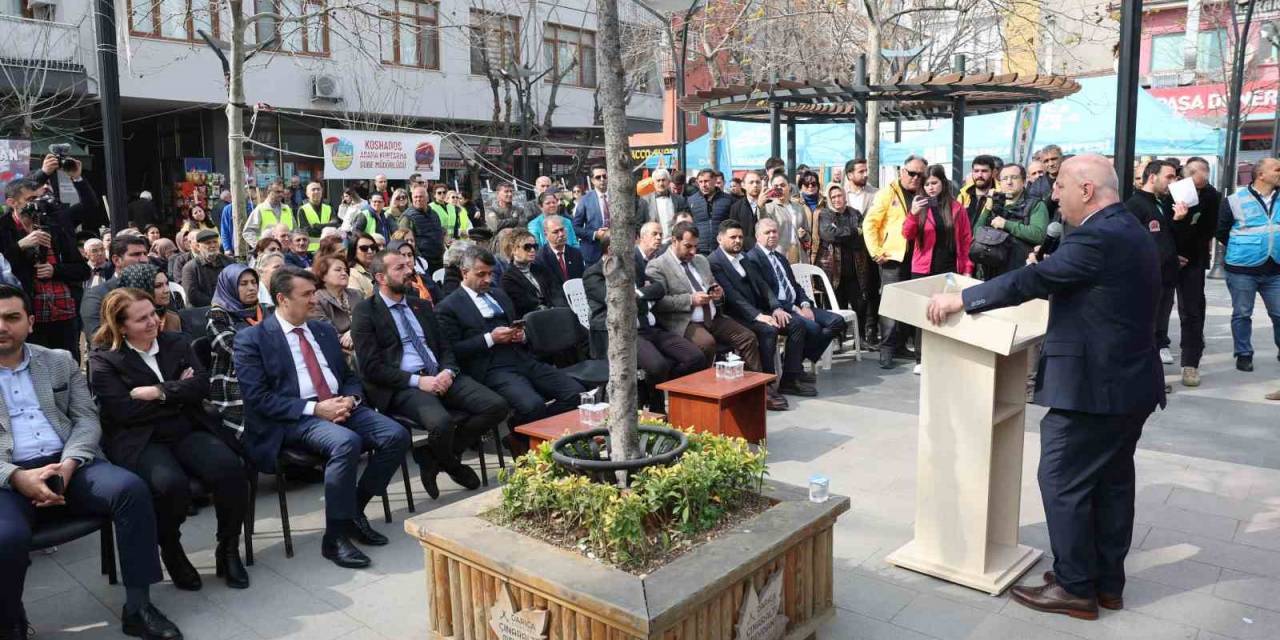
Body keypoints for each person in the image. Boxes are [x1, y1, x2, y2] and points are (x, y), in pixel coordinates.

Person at [924, 154, 1164, 622]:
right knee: (1111, 483)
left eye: (1060, 188)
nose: (1054, 195)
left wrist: (962, 298)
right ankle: (1106, 584)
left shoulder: (1098, 234)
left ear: (1088, 190)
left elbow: (1034, 280)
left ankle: (1075, 587)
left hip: (1094, 389)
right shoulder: (1127, 227)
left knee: (1062, 480)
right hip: (1128, 384)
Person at [0, 285, 184, 640]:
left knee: (131, 489)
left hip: (72, 462)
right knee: (6, 537)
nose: (2, 326)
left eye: (12, 317)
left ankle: (138, 607)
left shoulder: (57, 361)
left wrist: (69, 464)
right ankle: (10, 622)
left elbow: (86, 418)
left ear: (31, 322)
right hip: (8, 476)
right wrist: (18, 476)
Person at [234, 267, 411, 569]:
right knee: (346, 443)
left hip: (340, 405)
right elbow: (258, 399)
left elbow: (349, 376)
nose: (314, 300)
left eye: (314, 292)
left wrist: (351, 399)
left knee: (396, 435)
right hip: (294, 418)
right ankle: (335, 537)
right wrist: (316, 409)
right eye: (306, 294)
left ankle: (353, 509)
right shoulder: (252, 339)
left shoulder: (322, 330)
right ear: (282, 299)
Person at [89, 287, 250, 591]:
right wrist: (178, 391)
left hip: (184, 428)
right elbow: (124, 412)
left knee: (230, 469)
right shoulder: (105, 360)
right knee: (170, 485)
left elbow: (203, 385)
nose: (152, 322)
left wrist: (159, 392)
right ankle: (171, 549)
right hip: (141, 439)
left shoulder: (175, 342)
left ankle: (227, 548)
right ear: (121, 326)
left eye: (153, 314)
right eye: (141, 319)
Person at [351, 250, 509, 499]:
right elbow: (372, 368)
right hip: (404, 385)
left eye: (408, 265)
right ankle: (452, 464)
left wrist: (447, 370)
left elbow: (444, 346)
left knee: (496, 406)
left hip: (440, 374)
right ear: (381, 277)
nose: (408, 271)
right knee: (441, 423)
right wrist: (418, 381)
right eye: (399, 268)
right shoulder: (365, 312)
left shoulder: (420, 305)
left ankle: (432, 457)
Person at [435, 247, 583, 445]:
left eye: (490, 274)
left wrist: (521, 336)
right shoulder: (449, 306)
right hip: (491, 367)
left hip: (521, 357)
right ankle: (529, 440)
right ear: (464, 272)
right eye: (481, 274)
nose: (487, 279)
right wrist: (490, 339)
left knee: (574, 392)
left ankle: (521, 431)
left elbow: (515, 324)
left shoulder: (499, 295)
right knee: (532, 405)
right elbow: (453, 350)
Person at [647, 222, 761, 379]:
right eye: (688, 246)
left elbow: (711, 283)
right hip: (685, 321)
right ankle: (704, 392)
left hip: (712, 317)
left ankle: (754, 388)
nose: (693, 251)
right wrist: (690, 300)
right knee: (707, 344)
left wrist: (717, 291)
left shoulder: (700, 260)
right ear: (674, 241)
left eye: (695, 246)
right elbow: (658, 303)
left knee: (748, 337)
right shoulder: (657, 266)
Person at [2, 168, 95, 359]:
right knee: (34, 369)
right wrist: (20, 246)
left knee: (68, 368)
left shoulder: (54, 224)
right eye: (29, 200)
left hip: (64, 315)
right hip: (27, 318)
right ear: (11, 203)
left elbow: (83, 270)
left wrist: (55, 270)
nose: (36, 205)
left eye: (39, 198)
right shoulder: (3, 229)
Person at [709, 220, 802, 407]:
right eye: (733, 237)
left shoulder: (743, 258)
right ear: (720, 239)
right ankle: (766, 384)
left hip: (756, 310)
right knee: (768, 331)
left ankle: (790, 378)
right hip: (734, 315)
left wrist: (775, 307)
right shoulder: (715, 261)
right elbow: (733, 296)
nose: (737, 241)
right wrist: (758, 316)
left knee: (795, 324)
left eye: (740, 237)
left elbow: (762, 285)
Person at [748, 216, 846, 378]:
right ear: (758, 236)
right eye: (767, 232)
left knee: (837, 321)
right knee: (813, 328)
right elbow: (763, 295)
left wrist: (805, 304)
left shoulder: (780, 257)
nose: (772, 235)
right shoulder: (753, 259)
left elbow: (795, 286)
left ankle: (792, 362)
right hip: (777, 309)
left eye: (774, 231)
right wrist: (794, 309)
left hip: (799, 305)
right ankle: (794, 369)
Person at [903, 164, 973, 373]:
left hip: (950, 268)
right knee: (924, 312)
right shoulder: (919, 206)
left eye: (934, 183)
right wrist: (913, 214)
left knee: (948, 311)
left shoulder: (957, 208)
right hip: (923, 268)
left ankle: (946, 355)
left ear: (943, 183)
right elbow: (907, 234)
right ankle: (921, 358)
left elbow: (966, 239)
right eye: (927, 184)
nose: (931, 188)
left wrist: (968, 267)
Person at [1217, 156, 1280, 373]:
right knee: (1242, 313)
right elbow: (1221, 232)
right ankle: (1244, 353)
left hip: (1276, 269)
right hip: (1242, 270)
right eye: (1277, 169)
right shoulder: (1234, 200)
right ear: (1261, 174)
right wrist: (1245, 249)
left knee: (1279, 313)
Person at [865, 155, 926, 369]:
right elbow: (870, 224)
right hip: (892, 257)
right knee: (891, 304)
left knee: (910, 305)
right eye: (912, 173)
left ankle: (900, 345)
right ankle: (887, 349)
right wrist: (876, 251)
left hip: (918, 257)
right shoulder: (887, 192)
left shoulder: (924, 192)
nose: (916, 178)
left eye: (920, 174)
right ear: (902, 172)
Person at [1125, 159, 1183, 368]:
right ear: (1152, 177)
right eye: (1169, 177)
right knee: (1145, 327)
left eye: (1175, 177)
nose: (1173, 181)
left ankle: (1155, 362)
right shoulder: (1135, 205)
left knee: (1160, 320)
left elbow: (1164, 237)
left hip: (1166, 274)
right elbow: (1132, 243)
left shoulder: (1162, 203)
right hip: (1147, 278)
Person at [1171, 157, 1219, 386]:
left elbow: (1209, 229)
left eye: (1202, 184)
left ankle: (1191, 361)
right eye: (1194, 184)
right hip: (1164, 258)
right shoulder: (1170, 191)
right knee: (1156, 309)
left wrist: (1189, 217)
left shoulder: (1211, 196)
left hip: (1193, 259)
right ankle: (1159, 346)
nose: (1198, 188)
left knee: (1191, 309)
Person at [208, 264, 266, 441]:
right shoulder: (218, 314)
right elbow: (232, 348)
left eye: (254, 282)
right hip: (234, 378)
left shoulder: (265, 309)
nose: (251, 288)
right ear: (230, 286)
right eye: (243, 284)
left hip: (270, 369)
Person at [815, 184, 876, 339]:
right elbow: (829, 235)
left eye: (839, 195)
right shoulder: (825, 214)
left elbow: (863, 236)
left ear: (845, 196)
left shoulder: (855, 213)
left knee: (860, 306)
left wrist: (843, 234)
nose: (837, 199)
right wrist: (852, 232)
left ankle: (860, 338)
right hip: (833, 270)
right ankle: (837, 339)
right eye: (833, 197)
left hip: (856, 268)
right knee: (835, 306)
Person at [974, 163, 1050, 279]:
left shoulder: (1035, 205)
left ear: (1024, 181)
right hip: (992, 273)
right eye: (1004, 179)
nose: (1009, 182)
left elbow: (1039, 235)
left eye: (1014, 178)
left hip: (1020, 274)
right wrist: (987, 208)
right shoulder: (993, 203)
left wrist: (1006, 224)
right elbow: (976, 233)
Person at [81, 235, 149, 342]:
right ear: (117, 260)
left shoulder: (156, 287)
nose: (144, 259)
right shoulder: (96, 295)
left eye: (145, 254)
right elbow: (98, 339)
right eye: (136, 254)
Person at [502, 229, 566, 317]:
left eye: (535, 246)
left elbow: (556, 293)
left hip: (554, 314)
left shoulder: (541, 269)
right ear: (513, 249)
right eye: (527, 247)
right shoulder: (508, 278)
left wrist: (559, 309)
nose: (532, 250)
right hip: (532, 320)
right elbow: (524, 304)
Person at [309, 254, 363, 357]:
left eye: (345, 270)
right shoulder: (316, 299)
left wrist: (354, 332)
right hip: (338, 353)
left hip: (364, 344)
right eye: (338, 270)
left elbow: (369, 322)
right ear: (323, 275)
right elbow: (327, 333)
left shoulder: (357, 294)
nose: (344, 273)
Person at [761, 172, 811, 265]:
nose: (779, 188)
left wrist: (804, 235)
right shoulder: (768, 208)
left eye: (783, 185)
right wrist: (760, 206)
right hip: (779, 254)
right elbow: (763, 228)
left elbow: (807, 234)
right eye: (776, 186)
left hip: (799, 253)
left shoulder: (799, 207)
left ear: (789, 187)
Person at [118, 262, 183, 333]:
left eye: (167, 284)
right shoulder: (122, 323)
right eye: (158, 286)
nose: (167, 290)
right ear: (141, 288)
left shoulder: (172, 319)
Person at [572, 166, 615, 265]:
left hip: (616, 250)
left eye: (604, 176)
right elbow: (575, 227)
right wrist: (595, 234)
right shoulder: (585, 200)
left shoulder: (617, 197)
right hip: (593, 252)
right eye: (598, 177)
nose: (602, 180)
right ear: (592, 180)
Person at [401, 184, 446, 275]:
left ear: (427, 198)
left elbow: (438, 234)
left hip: (439, 261)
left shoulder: (434, 214)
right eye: (415, 197)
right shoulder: (407, 217)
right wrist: (419, 259)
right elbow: (405, 243)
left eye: (421, 197)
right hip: (422, 263)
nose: (418, 199)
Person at [687, 168, 733, 255]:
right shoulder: (691, 200)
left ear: (715, 180)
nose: (703, 185)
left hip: (722, 249)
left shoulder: (728, 200)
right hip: (700, 250)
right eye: (700, 182)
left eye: (706, 181)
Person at [181, 229, 232, 307]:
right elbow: (193, 296)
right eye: (208, 243)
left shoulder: (229, 262)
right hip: (202, 310)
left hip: (229, 305)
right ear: (198, 247)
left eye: (215, 242)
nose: (213, 245)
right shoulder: (190, 268)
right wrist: (216, 303)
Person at [536, 214, 585, 288]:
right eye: (556, 232)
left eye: (562, 230)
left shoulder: (576, 254)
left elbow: (581, 279)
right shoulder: (540, 258)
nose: (561, 234)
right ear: (546, 235)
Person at [242, 181, 293, 247]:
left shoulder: (287, 208)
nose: (281, 194)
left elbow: (293, 231)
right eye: (277, 192)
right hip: (268, 252)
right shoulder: (260, 209)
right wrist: (260, 247)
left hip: (286, 252)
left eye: (282, 192)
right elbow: (248, 232)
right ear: (268, 192)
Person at [727, 171, 765, 251]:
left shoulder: (769, 204)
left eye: (758, 182)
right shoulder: (736, 207)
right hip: (746, 251)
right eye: (751, 182)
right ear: (743, 185)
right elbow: (734, 231)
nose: (755, 185)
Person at [958, 155, 999, 228]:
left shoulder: (1000, 194)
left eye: (984, 171)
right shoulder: (963, 195)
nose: (979, 175)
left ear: (993, 173)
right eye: (976, 171)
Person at [1025, 144, 1063, 217]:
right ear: (1042, 163)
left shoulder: (1073, 177)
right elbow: (1035, 210)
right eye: (1046, 161)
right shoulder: (1036, 185)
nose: (1051, 164)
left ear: (1061, 158)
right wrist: (1052, 194)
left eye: (1054, 159)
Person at [347, 231, 378, 297]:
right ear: (354, 252)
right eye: (364, 248)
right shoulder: (352, 274)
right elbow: (357, 303)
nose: (370, 251)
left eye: (373, 247)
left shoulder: (383, 270)